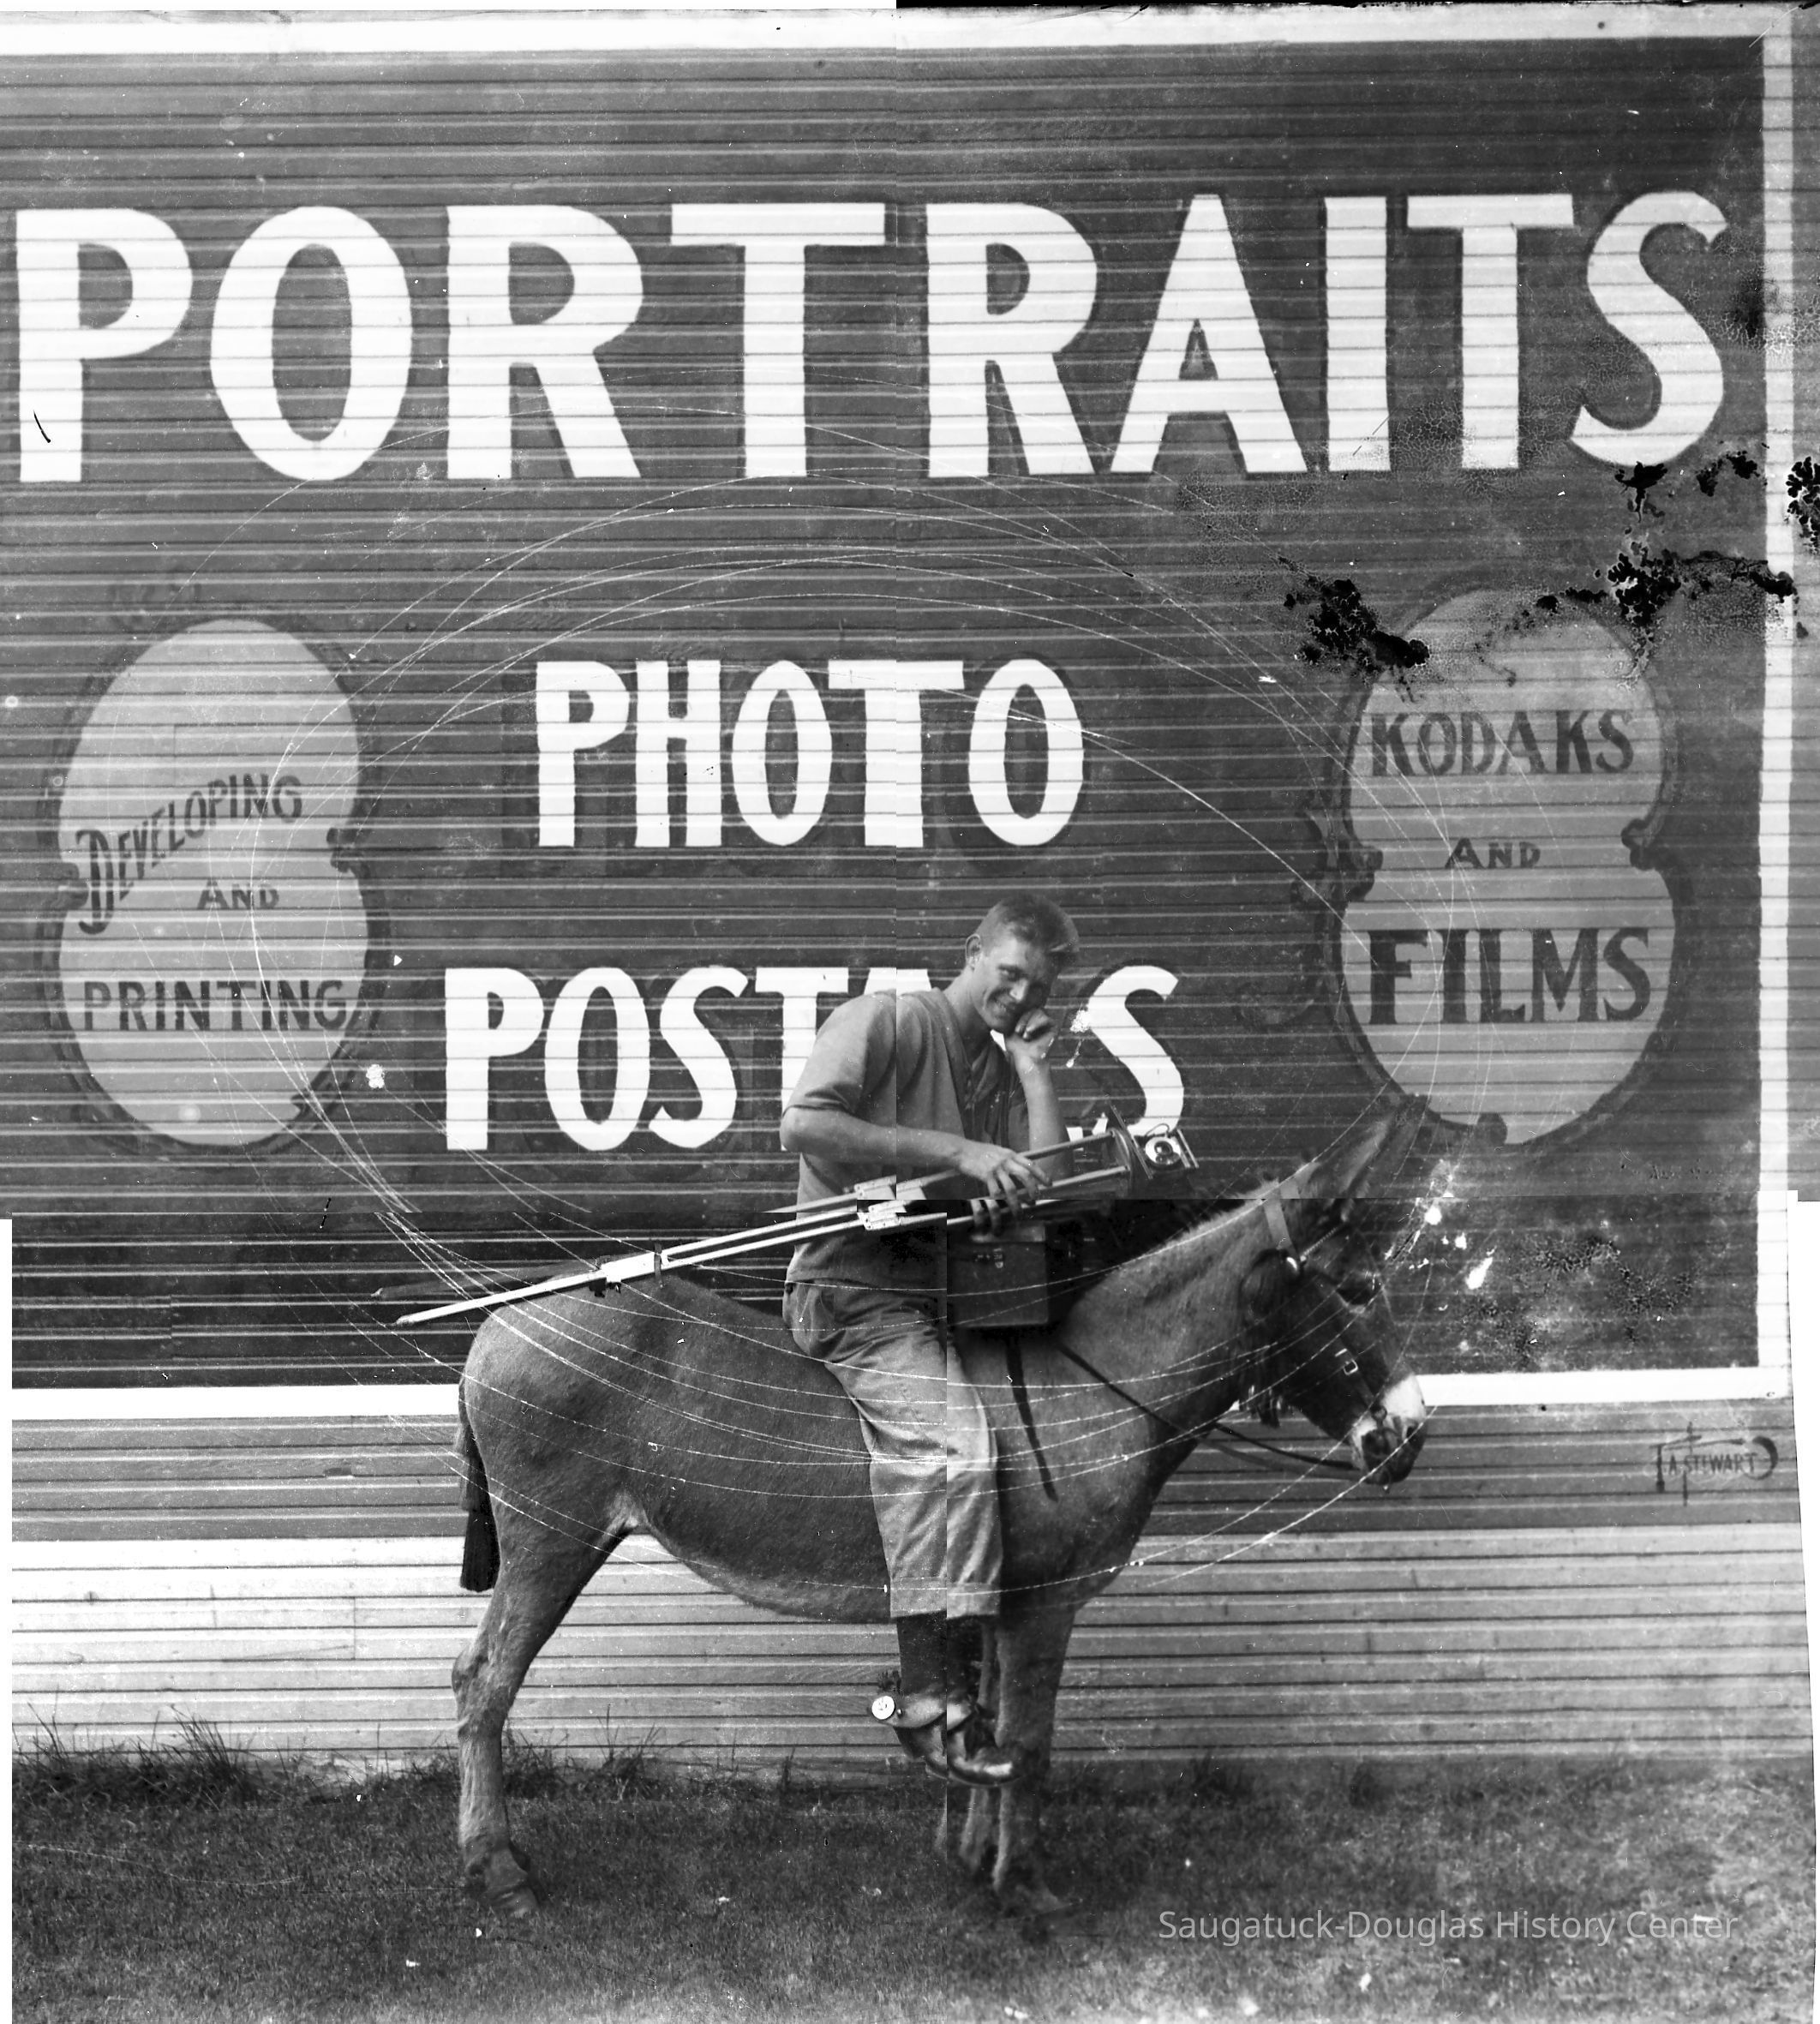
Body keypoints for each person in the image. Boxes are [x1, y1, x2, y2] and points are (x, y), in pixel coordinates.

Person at [780, 894, 1079, 1783]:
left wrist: (1033, 1071)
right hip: (851, 1292)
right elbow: (803, 1124)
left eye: (1038, 988)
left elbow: (1050, 1184)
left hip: (941, 1303)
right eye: (1008, 974)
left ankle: (954, 1689)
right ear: (972, 951)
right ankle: (927, 1695)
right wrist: (959, 1153)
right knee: (958, 1447)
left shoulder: (1002, 1063)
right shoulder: (886, 1020)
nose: (1018, 996)